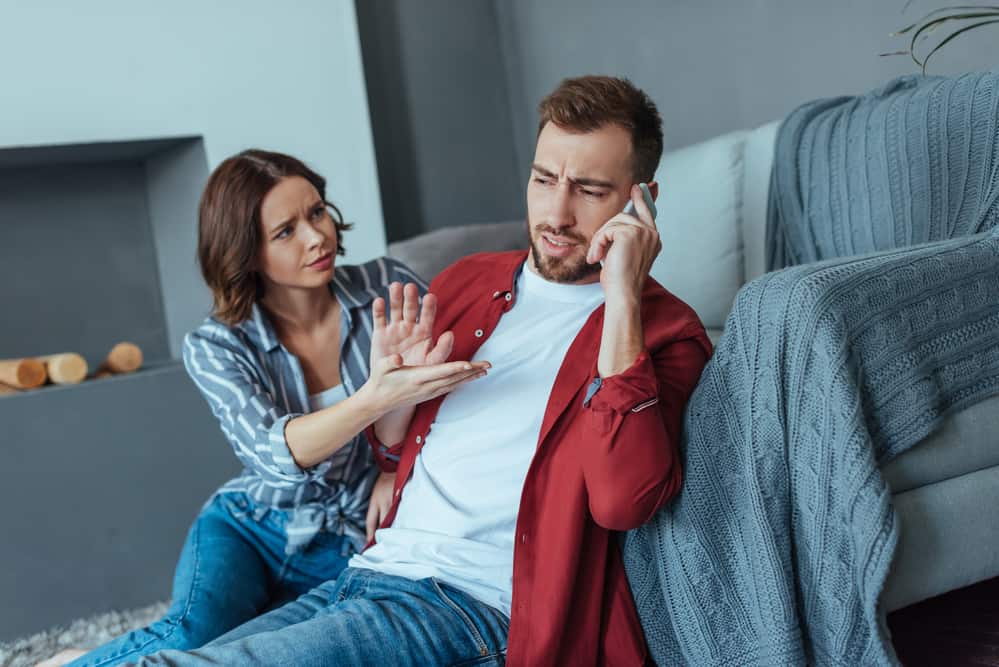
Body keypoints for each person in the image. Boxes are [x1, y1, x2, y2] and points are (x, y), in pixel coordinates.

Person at [132, 75, 712, 667]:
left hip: (468, 606)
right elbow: (404, 451)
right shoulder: (467, 281)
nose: (556, 214)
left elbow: (624, 502)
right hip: (368, 573)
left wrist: (623, 298)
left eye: (589, 189)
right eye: (543, 180)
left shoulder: (665, 334)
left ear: (641, 199)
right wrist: (394, 402)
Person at [41, 150, 486, 667]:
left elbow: (441, 396)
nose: (317, 237)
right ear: (246, 252)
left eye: (317, 212)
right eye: (286, 231)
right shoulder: (216, 346)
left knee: (249, 653)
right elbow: (272, 452)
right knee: (188, 635)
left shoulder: (386, 287)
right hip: (254, 524)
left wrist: (394, 468)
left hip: (355, 535)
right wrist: (376, 398)